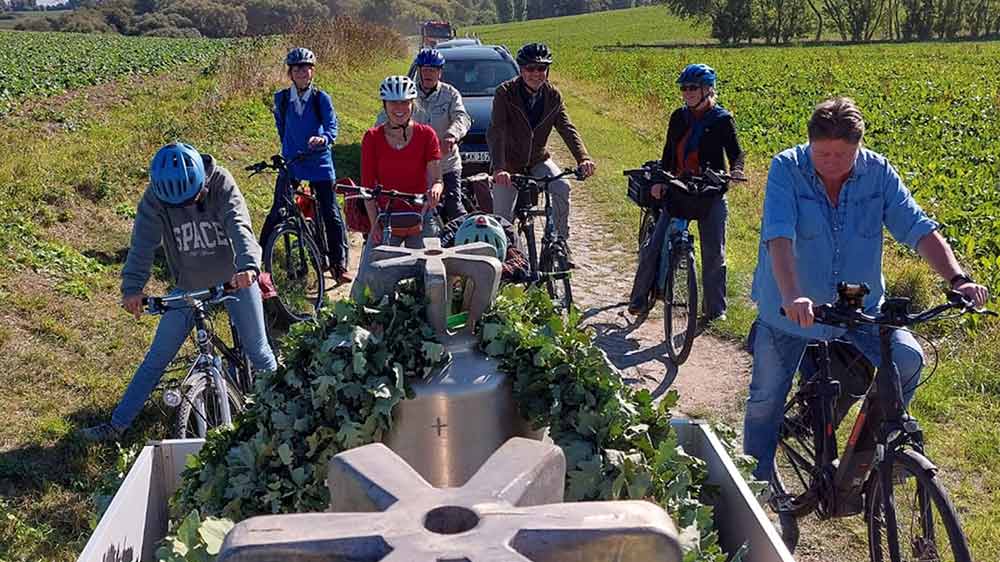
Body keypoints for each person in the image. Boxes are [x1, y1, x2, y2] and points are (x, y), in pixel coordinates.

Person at [744, 97, 989, 482]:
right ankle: (754, 486)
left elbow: (918, 228)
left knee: (909, 359)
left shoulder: (878, 173)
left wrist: (957, 279)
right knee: (765, 401)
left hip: (858, 307)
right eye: (822, 153)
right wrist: (792, 294)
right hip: (789, 308)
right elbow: (779, 236)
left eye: (843, 154)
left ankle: (873, 454)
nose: (831, 162)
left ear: (860, 145)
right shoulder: (786, 169)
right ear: (809, 143)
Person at [81, 143, 277, 442]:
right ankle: (117, 426)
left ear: (201, 182)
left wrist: (248, 266)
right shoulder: (155, 199)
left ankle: (285, 413)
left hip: (235, 280)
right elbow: (142, 245)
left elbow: (239, 226)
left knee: (259, 351)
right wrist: (132, 288)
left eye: (192, 199)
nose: (185, 208)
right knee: (157, 357)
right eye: (177, 206)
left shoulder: (221, 183)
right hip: (189, 286)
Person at [628, 64, 745, 323]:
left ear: (708, 89)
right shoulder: (678, 117)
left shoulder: (722, 120)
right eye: (684, 88)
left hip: (710, 191)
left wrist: (736, 170)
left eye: (693, 88)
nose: (688, 92)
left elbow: (736, 153)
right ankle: (638, 297)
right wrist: (660, 180)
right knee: (654, 244)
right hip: (679, 189)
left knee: (714, 253)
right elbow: (668, 154)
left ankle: (715, 309)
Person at [486, 42, 596, 262]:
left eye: (541, 68)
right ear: (520, 69)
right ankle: (506, 261)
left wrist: (583, 158)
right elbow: (496, 131)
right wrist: (499, 168)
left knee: (562, 186)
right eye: (530, 68)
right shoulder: (505, 93)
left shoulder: (553, 96)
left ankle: (560, 242)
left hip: (537, 159)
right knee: (502, 219)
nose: (536, 74)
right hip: (508, 164)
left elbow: (566, 127)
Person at [260, 47, 351, 284]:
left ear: (313, 71)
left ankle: (338, 264)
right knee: (278, 208)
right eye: (297, 68)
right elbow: (282, 128)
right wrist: (289, 149)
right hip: (293, 161)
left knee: (330, 212)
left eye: (306, 67)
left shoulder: (321, 99)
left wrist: (325, 139)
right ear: (290, 73)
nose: (302, 72)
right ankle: (259, 259)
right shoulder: (281, 99)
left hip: (319, 161)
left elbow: (331, 125)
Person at [351, 75, 444, 299]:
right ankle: (357, 319)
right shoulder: (372, 138)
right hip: (386, 216)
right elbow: (367, 188)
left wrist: (436, 190)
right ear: (385, 105)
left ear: (413, 103)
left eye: (404, 102)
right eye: (394, 103)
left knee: (433, 277)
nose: (399, 108)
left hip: (420, 216)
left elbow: (437, 178)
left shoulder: (426, 135)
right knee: (369, 278)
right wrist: (375, 225)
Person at [376, 48, 471, 223]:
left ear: (440, 72)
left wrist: (452, 134)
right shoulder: (408, 93)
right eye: (424, 69)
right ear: (418, 70)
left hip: (446, 164)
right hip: (415, 166)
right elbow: (385, 118)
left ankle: (462, 244)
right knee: (410, 210)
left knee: (454, 208)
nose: (428, 74)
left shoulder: (450, 94)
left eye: (433, 70)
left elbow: (462, 117)